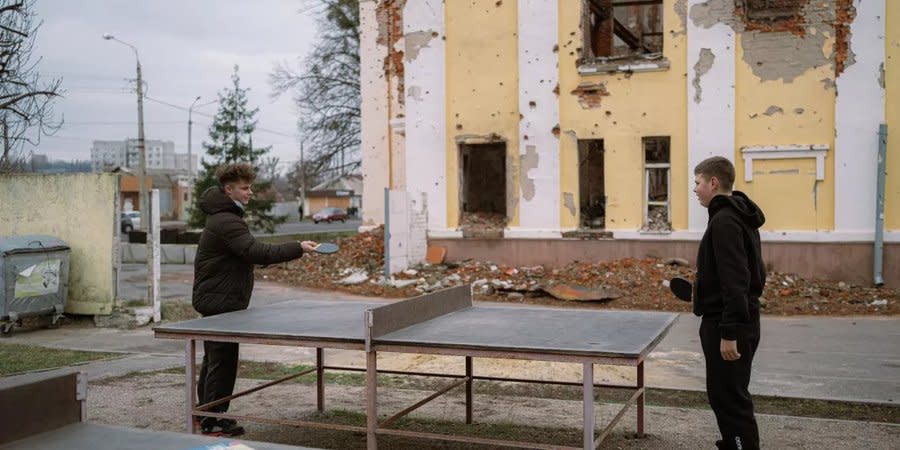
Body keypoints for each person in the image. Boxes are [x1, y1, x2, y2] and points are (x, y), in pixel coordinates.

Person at [192, 162, 318, 436]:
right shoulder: (226, 221)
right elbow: (256, 251)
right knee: (222, 360)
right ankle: (212, 420)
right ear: (229, 189)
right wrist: (298, 247)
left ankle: (205, 413)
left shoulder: (224, 216)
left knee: (215, 358)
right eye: (245, 188)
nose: (250, 193)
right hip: (220, 300)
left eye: (250, 187)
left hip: (220, 297)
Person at [692, 156, 766, 450]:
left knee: (730, 399)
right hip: (735, 318)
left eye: (697, 182)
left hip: (728, 324)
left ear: (713, 183)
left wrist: (729, 332)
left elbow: (736, 280)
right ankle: (733, 443)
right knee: (727, 396)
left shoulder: (724, 220)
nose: (695, 189)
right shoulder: (736, 216)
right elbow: (745, 272)